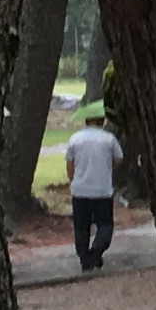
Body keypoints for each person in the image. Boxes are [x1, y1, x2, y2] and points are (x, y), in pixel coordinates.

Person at [65, 111, 122, 271]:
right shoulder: (109, 138)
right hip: (102, 190)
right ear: (101, 121)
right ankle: (96, 250)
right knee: (105, 224)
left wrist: (73, 179)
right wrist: (108, 168)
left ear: (86, 120)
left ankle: (84, 257)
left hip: (80, 190)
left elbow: (69, 163)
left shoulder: (75, 139)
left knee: (81, 226)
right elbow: (119, 158)